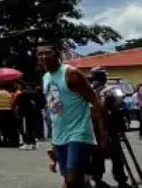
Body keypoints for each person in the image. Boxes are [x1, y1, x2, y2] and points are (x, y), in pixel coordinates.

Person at [39, 42, 105, 188]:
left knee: (71, 180)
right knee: (75, 181)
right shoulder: (46, 78)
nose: (43, 56)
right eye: (40, 54)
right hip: (59, 136)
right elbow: (54, 110)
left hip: (78, 134)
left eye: (47, 52)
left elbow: (94, 100)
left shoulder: (71, 73)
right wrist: (52, 142)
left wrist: (102, 134)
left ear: (57, 53)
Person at [90, 68, 130, 188]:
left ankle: (97, 178)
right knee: (116, 156)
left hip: (94, 128)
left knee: (97, 155)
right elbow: (119, 108)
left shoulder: (89, 91)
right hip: (110, 128)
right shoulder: (111, 90)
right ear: (104, 77)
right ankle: (121, 179)